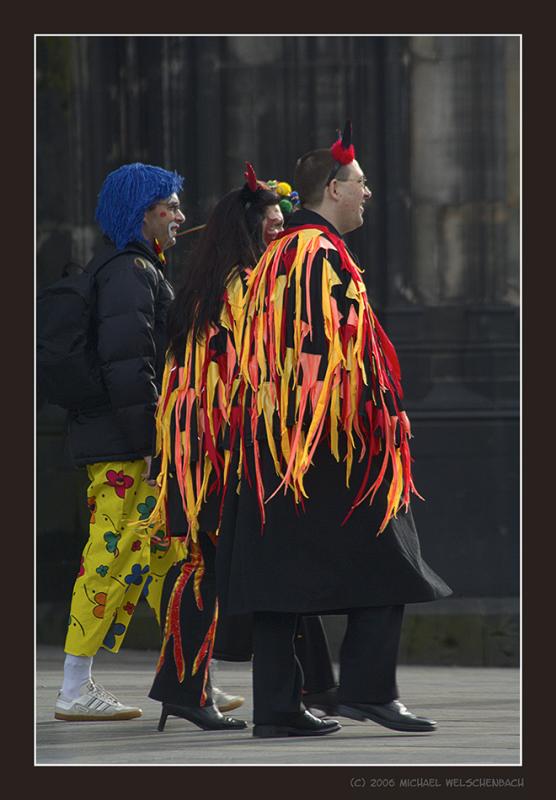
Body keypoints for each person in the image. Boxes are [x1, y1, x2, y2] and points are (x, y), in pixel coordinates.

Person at [215, 122, 453, 739]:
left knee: (278, 577)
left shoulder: (280, 254)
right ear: (332, 190)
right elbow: (323, 352)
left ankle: (276, 708)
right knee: (391, 548)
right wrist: (378, 416)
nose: (369, 192)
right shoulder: (313, 255)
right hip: (323, 441)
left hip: (277, 441)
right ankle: (369, 690)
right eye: (360, 183)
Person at [145, 166, 336, 731]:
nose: (281, 234)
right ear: (250, 233)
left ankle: (306, 686)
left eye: (283, 225)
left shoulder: (216, 284)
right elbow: (249, 376)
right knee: (223, 565)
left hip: (210, 447)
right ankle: (193, 687)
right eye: (273, 227)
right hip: (221, 450)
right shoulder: (244, 288)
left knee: (223, 565)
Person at [54, 163, 190, 722]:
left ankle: (189, 677)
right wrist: (153, 444)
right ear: (144, 213)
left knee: (164, 555)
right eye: (171, 206)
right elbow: (131, 368)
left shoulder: (134, 268)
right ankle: (73, 687)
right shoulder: (131, 272)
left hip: (126, 440)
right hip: (124, 446)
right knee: (108, 554)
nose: (181, 216)